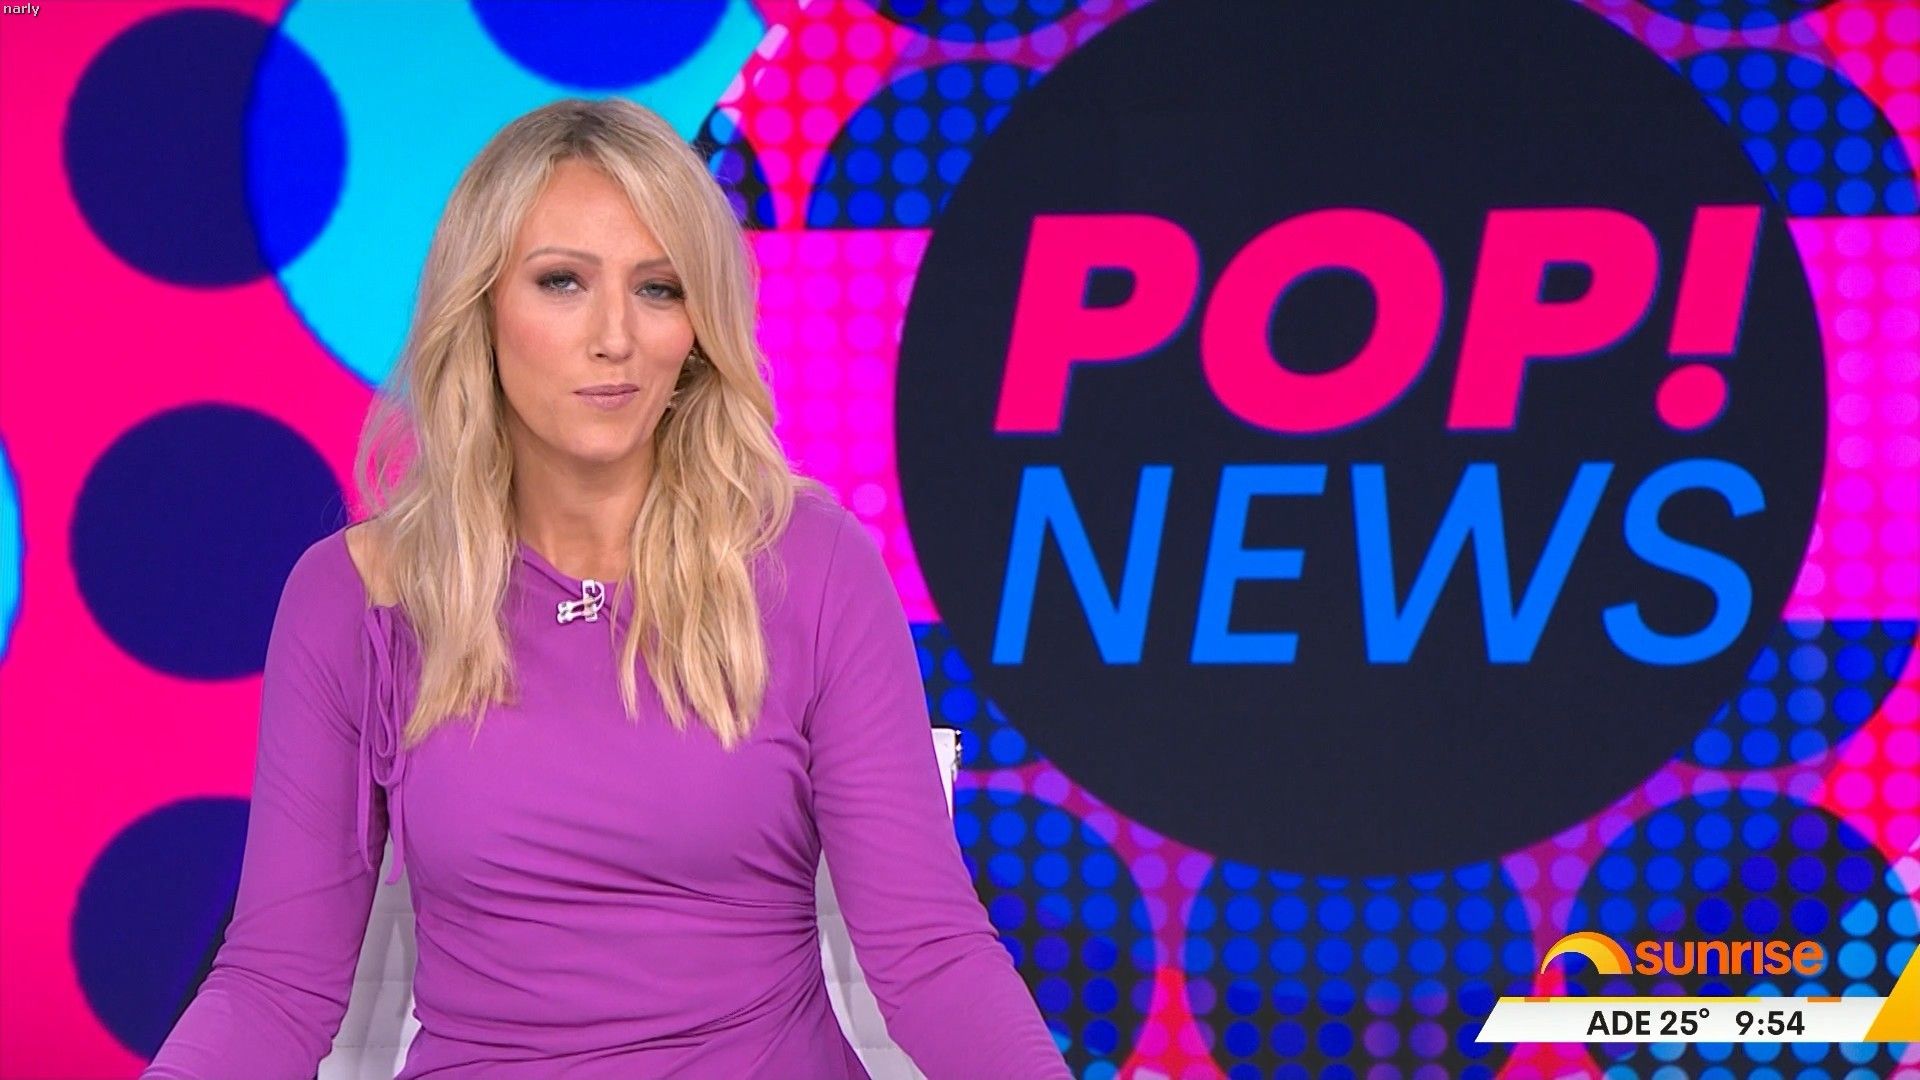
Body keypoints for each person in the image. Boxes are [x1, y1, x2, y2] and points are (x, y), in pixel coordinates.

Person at [142, 98, 1071, 1080]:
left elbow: (930, 955)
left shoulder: (813, 565)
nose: (615, 336)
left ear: (697, 330)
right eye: (563, 282)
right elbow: (276, 987)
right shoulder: (354, 600)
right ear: (481, 308)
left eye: (659, 288)